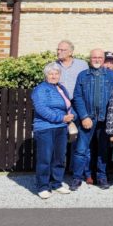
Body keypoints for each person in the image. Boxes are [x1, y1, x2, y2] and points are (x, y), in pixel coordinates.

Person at [70, 49, 113, 191]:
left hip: (106, 119)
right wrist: (84, 116)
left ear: (104, 59)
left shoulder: (112, 76)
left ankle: (102, 177)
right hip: (88, 119)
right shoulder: (83, 76)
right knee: (81, 150)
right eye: (94, 57)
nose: (97, 59)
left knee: (103, 150)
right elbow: (78, 97)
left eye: (100, 57)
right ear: (90, 59)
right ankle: (77, 178)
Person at [31, 63, 75, 199]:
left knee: (59, 157)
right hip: (45, 128)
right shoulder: (40, 89)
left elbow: (68, 106)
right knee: (45, 158)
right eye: (51, 73)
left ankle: (57, 183)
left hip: (61, 128)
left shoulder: (61, 88)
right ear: (46, 75)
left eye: (56, 73)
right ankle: (43, 186)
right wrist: (61, 118)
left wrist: (72, 115)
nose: (54, 76)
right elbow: (41, 109)